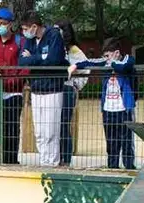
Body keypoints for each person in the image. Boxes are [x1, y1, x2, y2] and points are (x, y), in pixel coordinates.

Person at [70, 38, 137, 170]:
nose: (105, 58)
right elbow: (90, 62)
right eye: (105, 56)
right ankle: (113, 167)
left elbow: (124, 67)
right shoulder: (105, 62)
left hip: (124, 109)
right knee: (111, 142)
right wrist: (76, 66)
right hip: (108, 109)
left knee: (127, 141)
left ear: (116, 53)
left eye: (107, 55)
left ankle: (129, 167)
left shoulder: (127, 59)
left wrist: (111, 63)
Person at [17, 11, 66, 167]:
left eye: (25, 28)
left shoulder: (54, 36)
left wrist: (33, 58)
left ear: (34, 26)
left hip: (52, 89)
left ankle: (52, 163)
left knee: (50, 131)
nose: (24, 32)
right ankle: (44, 161)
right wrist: (40, 58)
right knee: (39, 132)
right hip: (36, 89)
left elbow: (54, 60)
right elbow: (21, 61)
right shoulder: (30, 41)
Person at [0, 7, 29, 164]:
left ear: (10, 24)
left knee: (11, 127)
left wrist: (16, 81)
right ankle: (2, 158)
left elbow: (25, 66)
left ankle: (12, 159)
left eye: (3, 23)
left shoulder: (20, 41)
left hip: (14, 92)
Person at [56, 21, 87, 166]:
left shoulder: (74, 51)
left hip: (67, 88)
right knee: (53, 124)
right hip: (54, 88)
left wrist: (76, 84)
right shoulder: (55, 47)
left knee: (63, 124)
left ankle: (66, 158)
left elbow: (85, 68)